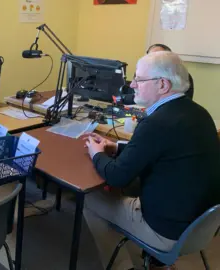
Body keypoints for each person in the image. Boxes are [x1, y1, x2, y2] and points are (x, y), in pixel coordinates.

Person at [83, 51, 220, 270]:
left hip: (168, 232)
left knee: (89, 198)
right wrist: (115, 146)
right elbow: (163, 149)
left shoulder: (157, 122)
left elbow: (117, 176)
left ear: (163, 85)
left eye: (139, 79)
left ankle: (123, 266)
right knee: (128, 187)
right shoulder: (198, 113)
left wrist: (96, 153)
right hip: (202, 224)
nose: (133, 85)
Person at [121, 44, 194, 104]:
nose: (152, 60)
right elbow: (135, 94)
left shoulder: (181, 76)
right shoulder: (141, 73)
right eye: (150, 56)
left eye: (158, 57)